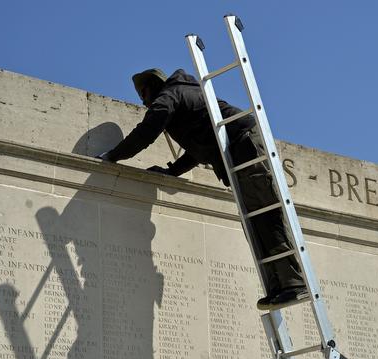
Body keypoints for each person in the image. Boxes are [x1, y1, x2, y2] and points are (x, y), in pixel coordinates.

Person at [99, 68, 307, 310]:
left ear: (154, 86)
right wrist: (172, 171)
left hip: (246, 149)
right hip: (239, 151)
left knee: (266, 215)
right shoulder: (187, 100)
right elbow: (200, 148)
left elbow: (146, 132)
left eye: (143, 94)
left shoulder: (171, 96)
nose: (143, 102)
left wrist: (113, 155)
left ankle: (294, 283)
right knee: (254, 222)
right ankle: (280, 286)